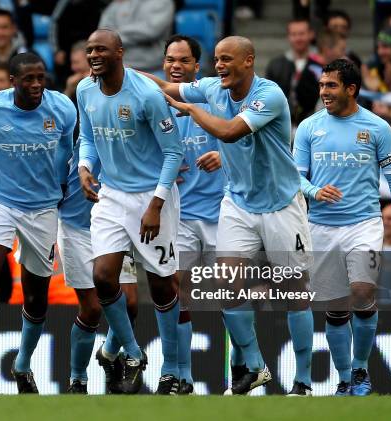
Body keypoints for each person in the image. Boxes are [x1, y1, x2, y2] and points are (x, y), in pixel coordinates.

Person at [143, 35, 315, 396]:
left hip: (282, 204)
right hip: (237, 203)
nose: (219, 66)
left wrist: (190, 110)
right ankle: (254, 366)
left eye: (226, 59)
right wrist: (123, 72)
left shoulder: (269, 96)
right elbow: (166, 85)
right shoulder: (212, 87)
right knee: (227, 284)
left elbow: (229, 131)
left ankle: (303, 382)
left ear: (249, 60)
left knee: (293, 292)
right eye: (217, 60)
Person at [293, 58, 391, 396]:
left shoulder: (377, 128)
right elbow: (295, 178)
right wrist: (315, 191)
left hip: (363, 223)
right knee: (334, 307)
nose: (323, 92)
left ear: (351, 89)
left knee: (362, 292)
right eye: (321, 86)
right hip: (320, 226)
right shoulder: (308, 127)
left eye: (330, 86)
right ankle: (345, 378)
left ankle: (361, 368)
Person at [78, 29, 183, 395]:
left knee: (161, 283)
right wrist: (85, 165)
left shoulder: (148, 95)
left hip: (153, 197)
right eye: (89, 49)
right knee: (103, 276)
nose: (93, 55)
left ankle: (171, 371)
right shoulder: (84, 89)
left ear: (119, 53)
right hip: (112, 196)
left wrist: (155, 205)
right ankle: (134, 353)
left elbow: (174, 152)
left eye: (101, 49)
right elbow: (88, 137)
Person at [0, 52, 75, 394]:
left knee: (36, 295)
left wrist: (59, 183)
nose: (36, 85)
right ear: (12, 81)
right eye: (28, 79)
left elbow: (67, 147)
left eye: (40, 77)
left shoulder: (61, 109)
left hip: (42, 208)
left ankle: (23, 364)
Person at [161, 34, 225, 395]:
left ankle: (241, 372)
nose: (175, 66)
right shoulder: (157, 104)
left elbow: (247, 141)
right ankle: (181, 377)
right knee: (179, 292)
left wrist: (224, 157)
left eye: (183, 60)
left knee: (232, 296)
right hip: (180, 214)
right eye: (170, 59)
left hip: (222, 213)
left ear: (196, 66)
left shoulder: (214, 97)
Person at [58, 140, 139, 394]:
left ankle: (109, 353)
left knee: (131, 303)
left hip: (114, 223)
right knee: (91, 309)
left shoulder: (126, 132)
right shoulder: (73, 133)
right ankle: (78, 379)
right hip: (75, 226)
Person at [265, 18, 321, 126]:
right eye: (294, 34)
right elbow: (268, 96)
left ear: (311, 34)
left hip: (314, 122)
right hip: (283, 123)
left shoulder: (322, 63)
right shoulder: (276, 64)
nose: (298, 38)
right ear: (288, 37)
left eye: (301, 34)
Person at [98, 0, 175, 74]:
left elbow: (150, 31)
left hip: (152, 68)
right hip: (121, 66)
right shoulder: (118, 3)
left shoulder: (163, 2)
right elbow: (103, 33)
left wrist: (115, 35)